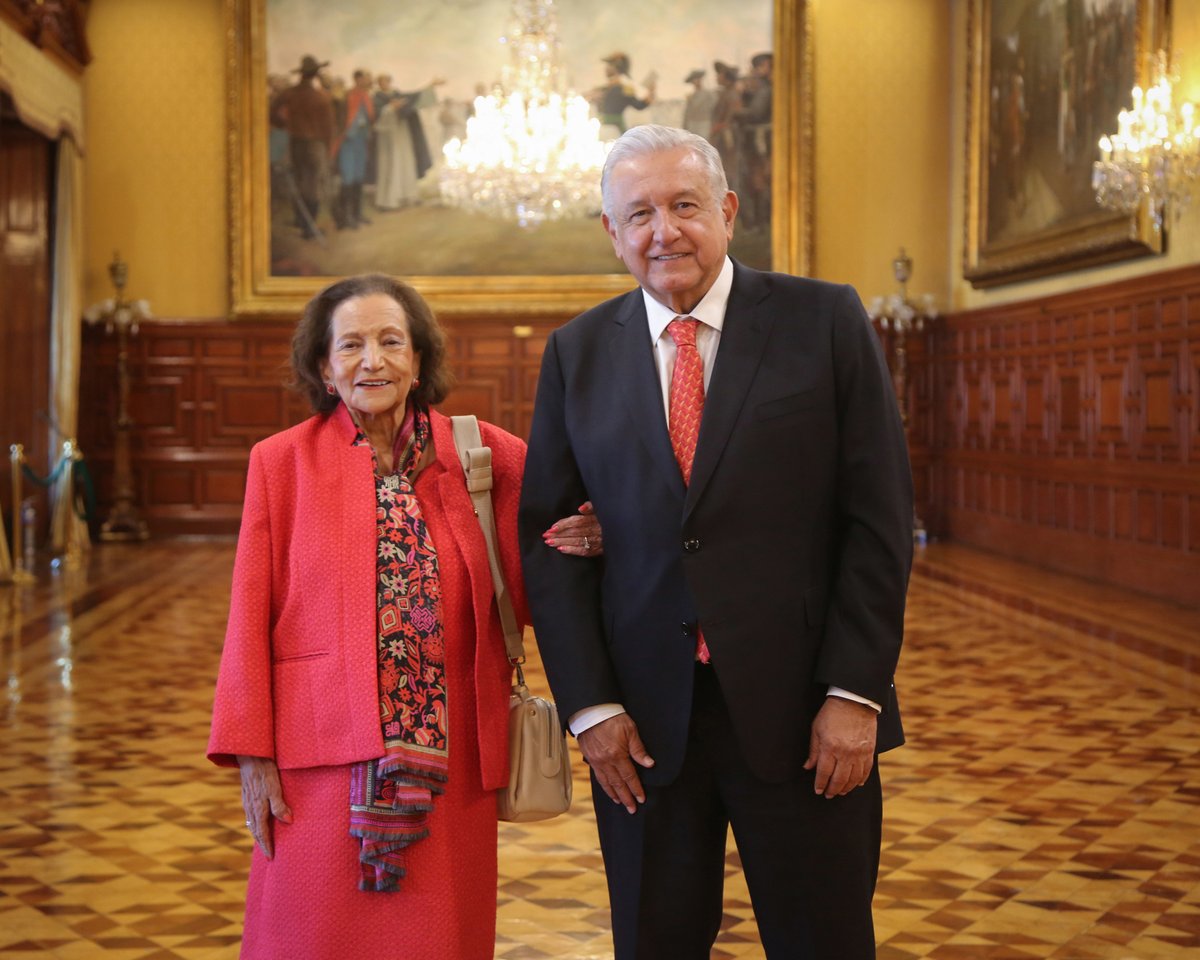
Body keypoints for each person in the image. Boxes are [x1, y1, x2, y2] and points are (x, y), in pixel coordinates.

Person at [518, 125, 913, 959]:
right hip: (642, 728)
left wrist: (855, 692)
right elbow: (550, 546)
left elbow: (877, 521)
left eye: (685, 205)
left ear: (728, 211)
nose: (664, 231)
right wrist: (590, 706)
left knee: (825, 942)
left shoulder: (824, 319)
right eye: (640, 214)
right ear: (611, 233)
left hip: (808, 714)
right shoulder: (577, 353)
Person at [207, 273, 601, 959]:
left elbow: (553, 557)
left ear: (418, 362)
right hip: (318, 755)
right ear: (325, 369)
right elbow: (249, 614)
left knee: (437, 936)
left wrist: (594, 538)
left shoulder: (484, 455)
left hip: (454, 757)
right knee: (308, 936)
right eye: (351, 345)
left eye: (392, 341)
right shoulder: (280, 465)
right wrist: (252, 751)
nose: (373, 360)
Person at [271, 55, 335, 239]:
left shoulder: (289, 93)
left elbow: (272, 111)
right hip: (315, 145)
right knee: (312, 184)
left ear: (301, 74)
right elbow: (328, 129)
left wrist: (284, 124)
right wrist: (328, 150)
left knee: (299, 180)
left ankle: (301, 221)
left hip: (295, 142)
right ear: (315, 75)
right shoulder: (321, 97)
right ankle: (309, 228)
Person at [680, 68, 717, 142]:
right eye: (694, 80)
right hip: (692, 125)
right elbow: (687, 114)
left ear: (701, 80)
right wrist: (684, 128)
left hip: (704, 124)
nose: (696, 82)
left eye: (697, 79)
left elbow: (715, 109)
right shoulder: (691, 97)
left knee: (703, 145)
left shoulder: (709, 94)